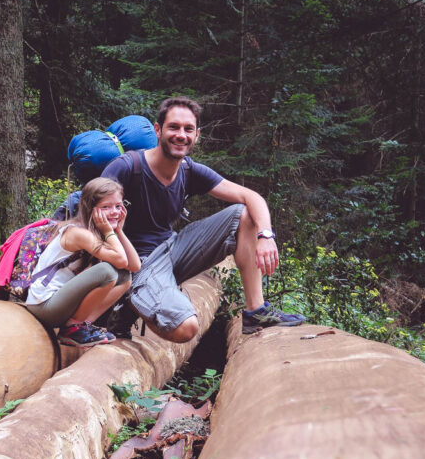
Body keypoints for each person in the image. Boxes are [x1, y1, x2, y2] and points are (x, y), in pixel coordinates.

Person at [102, 96, 305, 341]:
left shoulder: (188, 170)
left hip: (173, 248)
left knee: (244, 213)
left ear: (197, 135)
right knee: (186, 328)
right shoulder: (126, 167)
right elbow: (94, 217)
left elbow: (250, 196)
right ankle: (126, 309)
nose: (181, 135)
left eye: (188, 129)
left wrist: (266, 235)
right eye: (173, 127)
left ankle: (256, 311)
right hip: (139, 263)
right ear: (158, 130)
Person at [25, 177, 142, 347]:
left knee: (124, 276)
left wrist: (118, 231)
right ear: (91, 208)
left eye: (118, 206)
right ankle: (71, 329)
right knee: (107, 272)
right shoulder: (78, 233)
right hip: (45, 306)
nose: (115, 212)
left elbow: (134, 266)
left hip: (62, 303)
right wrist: (110, 231)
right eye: (106, 207)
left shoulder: (97, 232)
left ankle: (83, 325)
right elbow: (121, 259)